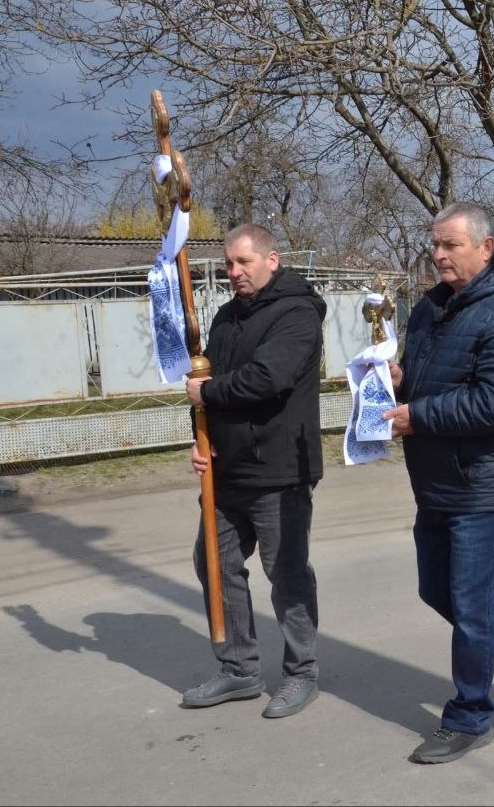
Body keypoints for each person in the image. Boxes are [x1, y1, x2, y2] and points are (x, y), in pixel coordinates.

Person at [383, 202, 494, 764]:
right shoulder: (432, 308)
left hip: (483, 483)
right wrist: (395, 381)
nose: (438, 256)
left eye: (450, 246)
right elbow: (434, 376)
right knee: (437, 591)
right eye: (434, 245)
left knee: (473, 604)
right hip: (435, 479)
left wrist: (420, 415)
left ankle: (469, 715)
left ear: (485, 249)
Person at [181, 223, 326, 718]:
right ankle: (239, 669)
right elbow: (205, 388)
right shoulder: (225, 318)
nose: (235, 272)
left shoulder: (297, 312)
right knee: (215, 567)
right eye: (228, 263)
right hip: (226, 472)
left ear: (272, 259)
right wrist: (201, 442)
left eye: (244, 262)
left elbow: (268, 377)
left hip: (280, 469)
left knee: (285, 574)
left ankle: (300, 672)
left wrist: (208, 394)